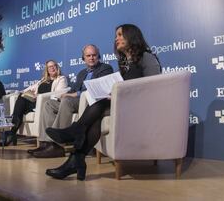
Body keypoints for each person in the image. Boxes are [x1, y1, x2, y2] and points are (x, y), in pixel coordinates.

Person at [45, 24, 161, 180]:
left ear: (131, 36)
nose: (116, 38)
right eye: (116, 35)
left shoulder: (146, 57)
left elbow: (154, 86)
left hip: (140, 106)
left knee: (97, 107)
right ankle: (76, 159)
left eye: (120, 35)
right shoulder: (126, 62)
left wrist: (121, 94)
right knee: (96, 116)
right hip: (123, 104)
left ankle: (74, 136)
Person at [29, 44, 113, 158]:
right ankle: (46, 143)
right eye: (88, 55)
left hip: (90, 102)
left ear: (99, 56)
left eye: (94, 55)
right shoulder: (82, 73)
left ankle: (57, 145)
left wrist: (73, 94)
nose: (91, 58)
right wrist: (64, 95)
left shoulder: (105, 68)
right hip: (76, 101)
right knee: (48, 104)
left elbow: (99, 88)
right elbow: (73, 89)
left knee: (67, 101)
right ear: (83, 58)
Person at [1, 60, 68, 146]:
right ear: (47, 70)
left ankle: (12, 132)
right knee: (21, 97)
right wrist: (22, 92)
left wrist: (39, 96)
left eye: (54, 66)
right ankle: (13, 131)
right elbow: (29, 88)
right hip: (34, 102)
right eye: (49, 67)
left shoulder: (61, 79)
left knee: (21, 104)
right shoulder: (43, 80)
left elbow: (58, 94)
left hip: (43, 103)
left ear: (57, 67)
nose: (52, 68)